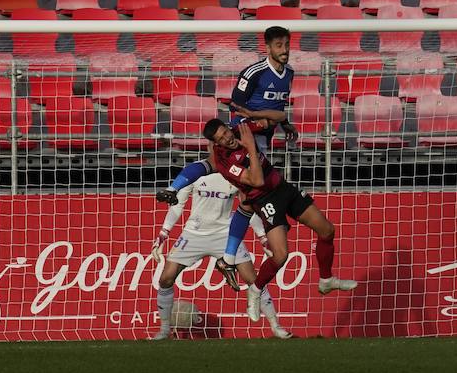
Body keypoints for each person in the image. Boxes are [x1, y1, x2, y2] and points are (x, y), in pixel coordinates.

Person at [158, 118, 355, 322]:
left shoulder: (238, 128)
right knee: (280, 256)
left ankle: (326, 279)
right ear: (216, 144)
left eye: (226, 132)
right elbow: (257, 181)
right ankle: (255, 289)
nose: (228, 138)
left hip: (283, 189)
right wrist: (251, 146)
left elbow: (272, 117)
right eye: (221, 139)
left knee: (327, 230)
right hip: (264, 199)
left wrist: (274, 120)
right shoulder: (226, 163)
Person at [150, 171, 291, 340]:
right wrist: (163, 234)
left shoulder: (237, 175)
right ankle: (165, 330)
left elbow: (248, 208)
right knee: (166, 279)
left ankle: (276, 326)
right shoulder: (195, 172)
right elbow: (177, 204)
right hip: (193, 233)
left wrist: (262, 237)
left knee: (253, 280)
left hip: (226, 234)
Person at [218, 26, 301, 271]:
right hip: (244, 136)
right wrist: (255, 122)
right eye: (279, 45)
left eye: (286, 45)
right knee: (252, 195)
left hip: (264, 137)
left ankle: (232, 255)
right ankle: (266, 233)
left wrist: (284, 124)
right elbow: (234, 103)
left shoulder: (289, 74)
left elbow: (279, 104)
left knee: (249, 199)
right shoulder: (254, 72)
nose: (284, 50)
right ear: (267, 47)